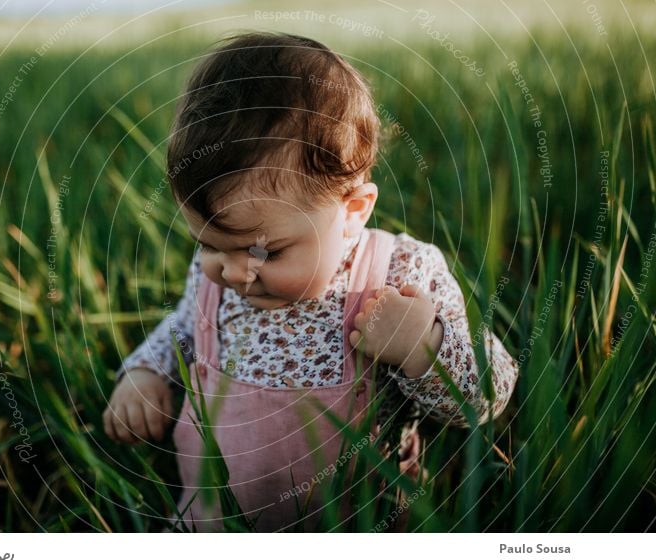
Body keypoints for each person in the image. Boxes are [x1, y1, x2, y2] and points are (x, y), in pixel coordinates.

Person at [103, 32, 518, 532]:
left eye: (265, 250)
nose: (232, 273)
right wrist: (144, 374)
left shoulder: (398, 274)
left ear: (352, 212)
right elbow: (186, 329)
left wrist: (423, 346)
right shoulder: (217, 276)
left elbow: (487, 398)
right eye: (209, 244)